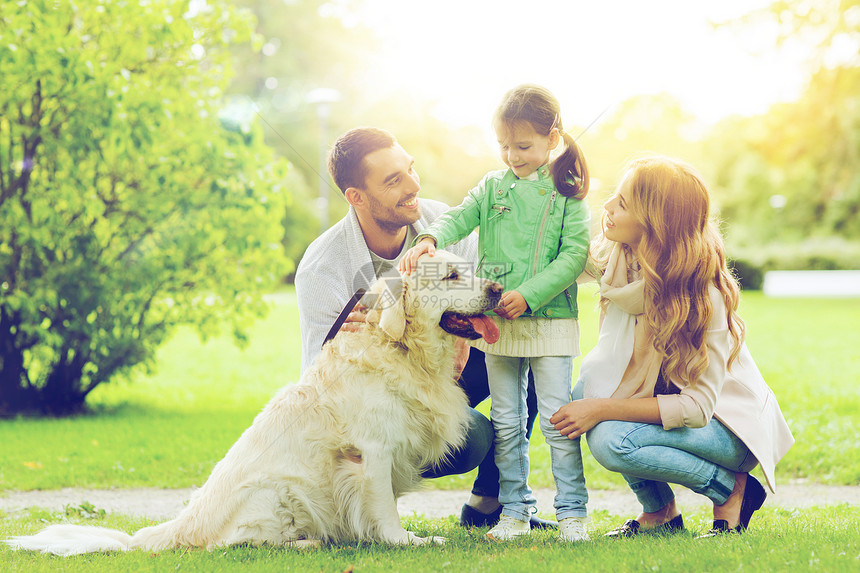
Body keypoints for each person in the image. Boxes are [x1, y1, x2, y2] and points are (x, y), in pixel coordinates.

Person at [294, 126, 552, 530]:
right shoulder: (323, 267)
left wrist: (459, 331)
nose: (412, 185)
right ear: (356, 197)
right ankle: (375, 497)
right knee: (473, 440)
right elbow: (318, 379)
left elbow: (481, 291)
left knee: (532, 359)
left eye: (409, 169)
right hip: (378, 395)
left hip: (443, 361)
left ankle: (490, 504)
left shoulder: (439, 221)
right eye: (393, 180)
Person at [550, 155, 794, 538]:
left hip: (727, 428)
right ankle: (661, 514)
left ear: (655, 224)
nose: (608, 208)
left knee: (612, 438)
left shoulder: (702, 295)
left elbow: (697, 408)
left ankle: (732, 490)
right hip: (675, 405)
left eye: (624, 203)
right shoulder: (620, 256)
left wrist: (600, 408)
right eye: (614, 196)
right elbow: (559, 261)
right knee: (591, 389)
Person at [400, 85, 591, 542]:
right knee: (507, 422)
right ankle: (514, 512)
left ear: (552, 137)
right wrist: (429, 238)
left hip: (549, 324)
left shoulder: (567, 192)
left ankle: (572, 515)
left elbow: (574, 255)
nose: (512, 156)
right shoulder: (492, 186)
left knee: (555, 419)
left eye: (522, 146)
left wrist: (529, 294)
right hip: (500, 328)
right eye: (504, 146)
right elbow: (459, 216)